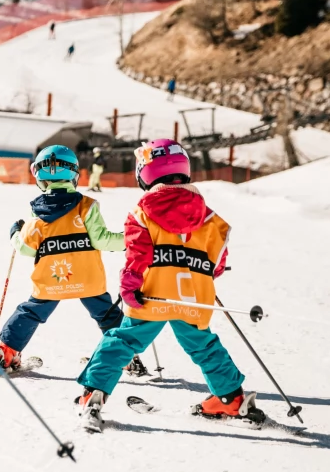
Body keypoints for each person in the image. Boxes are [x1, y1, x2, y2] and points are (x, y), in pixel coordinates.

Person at [77, 139, 250, 432]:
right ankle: (231, 399)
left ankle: (94, 393)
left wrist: (129, 286)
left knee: (124, 341)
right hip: (192, 298)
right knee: (204, 346)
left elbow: (137, 253)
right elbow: (218, 261)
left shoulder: (142, 211)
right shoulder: (209, 217)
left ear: (144, 172)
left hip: (151, 296)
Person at [0, 145, 145, 376]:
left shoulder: (38, 213)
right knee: (107, 314)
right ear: (74, 174)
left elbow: (25, 248)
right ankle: (126, 356)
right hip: (88, 279)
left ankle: (6, 352)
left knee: (30, 312)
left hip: (51, 280)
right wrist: (131, 240)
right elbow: (102, 240)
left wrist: (15, 233)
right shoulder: (87, 206)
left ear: (39, 176)